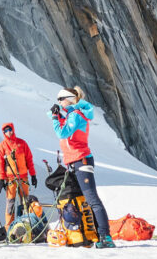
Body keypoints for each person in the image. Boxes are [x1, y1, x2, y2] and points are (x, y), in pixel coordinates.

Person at [49, 86, 115, 248]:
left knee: (92, 199)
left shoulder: (76, 116)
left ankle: (106, 236)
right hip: (75, 162)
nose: (58, 102)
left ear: (69, 99)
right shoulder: (71, 115)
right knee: (86, 199)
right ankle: (96, 234)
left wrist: (55, 118)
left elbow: (62, 133)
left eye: (61, 99)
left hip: (81, 160)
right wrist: (56, 114)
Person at [0, 122, 38, 227]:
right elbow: (0, 164)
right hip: (10, 179)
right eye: (6, 131)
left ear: (13, 129)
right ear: (3, 132)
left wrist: (33, 175)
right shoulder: (2, 146)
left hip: (23, 177)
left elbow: (29, 160)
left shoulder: (22, 143)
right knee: (10, 203)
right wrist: (1, 180)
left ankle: (28, 225)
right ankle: (9, 228)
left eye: (9, 129)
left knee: (26, 202)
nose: (8, 132)